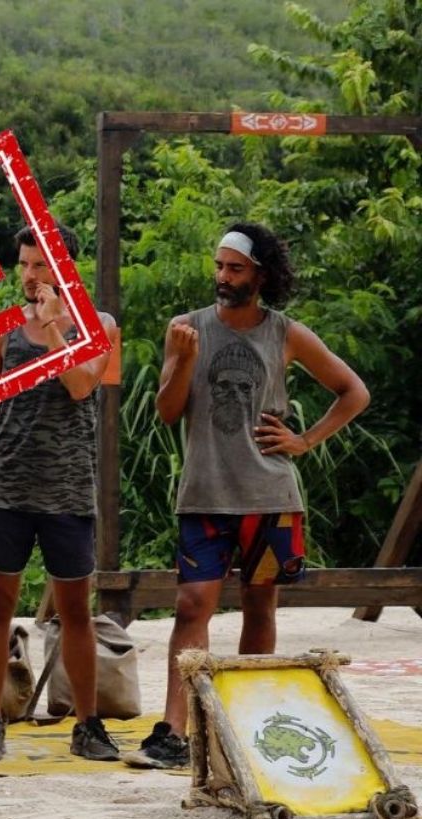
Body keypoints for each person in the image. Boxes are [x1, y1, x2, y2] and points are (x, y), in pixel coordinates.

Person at [124, 222, 369, 769]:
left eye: (235, 269)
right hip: (205, 494)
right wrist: (182, 360)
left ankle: (249, 723)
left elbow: (354, 391)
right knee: (192, 605)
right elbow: (167, 412)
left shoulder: (286, 333)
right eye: (219, 266)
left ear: (261, 275)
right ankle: (171, 732)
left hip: (270, 495)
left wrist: (305, 440)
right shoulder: (186, 328)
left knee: (260, 606)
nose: (223, 277)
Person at [0, 223, 122, 763]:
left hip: (69, 490)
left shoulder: (100, 325)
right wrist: (7, 452)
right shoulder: (0, 330)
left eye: (41, 265)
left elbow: (80, 385)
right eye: (24, 265)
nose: (30, 276)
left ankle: (88, 724)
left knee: (75, 610)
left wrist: (55, 325)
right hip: (6, 490)